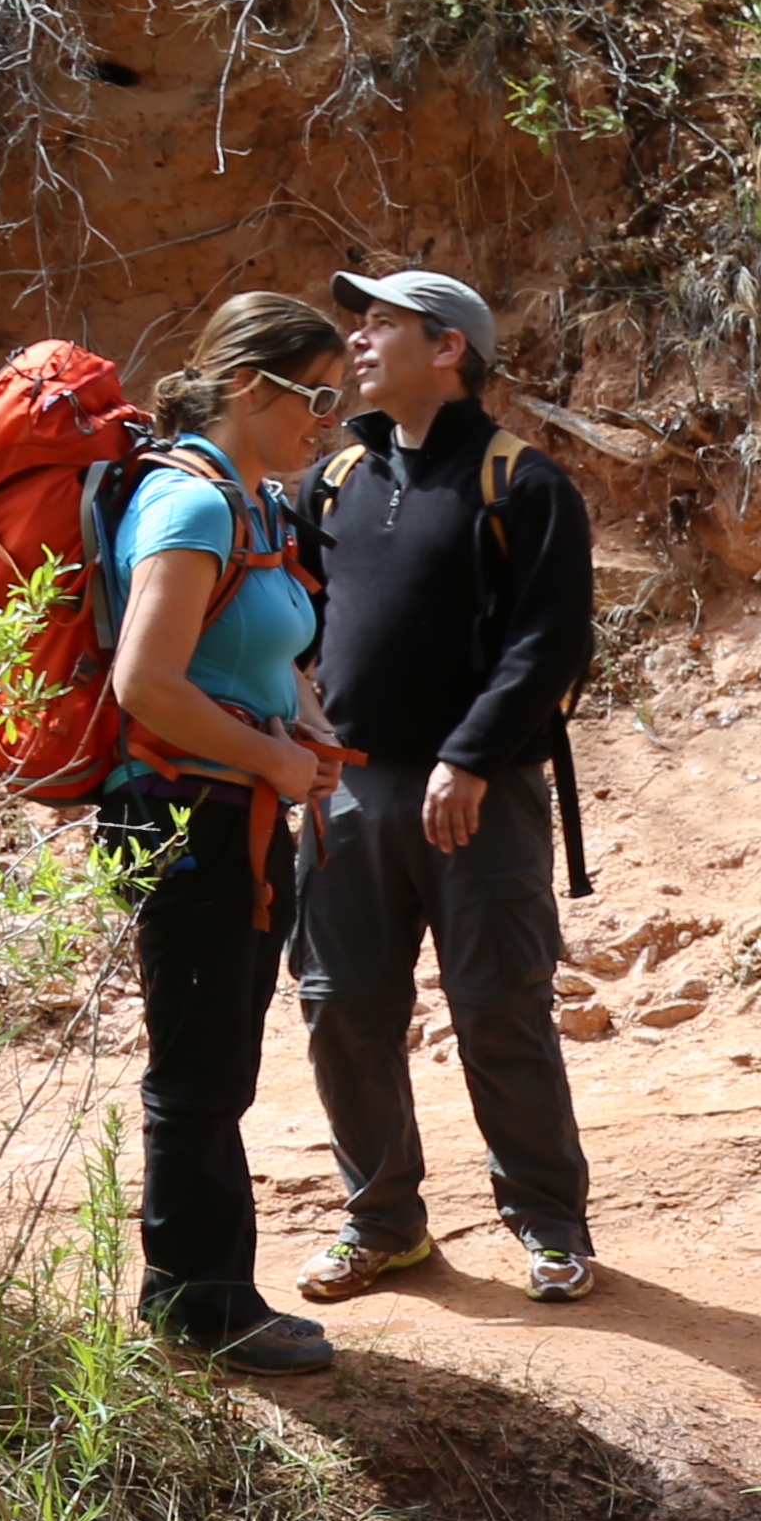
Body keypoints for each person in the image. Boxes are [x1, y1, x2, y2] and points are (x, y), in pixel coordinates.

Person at [289, 263, 602, 1307]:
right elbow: (296, 616)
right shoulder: (333, 483)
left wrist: (467, 757)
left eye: (383, 324)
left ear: (449, 348)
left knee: (498, 1011)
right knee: (342, 1008)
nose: (360, 341)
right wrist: (298, 718)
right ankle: (382, 1223)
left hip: (482, 795)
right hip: (348, 796)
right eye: (358, 324)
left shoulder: (523, 484)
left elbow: (552, 645)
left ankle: (551, 1224)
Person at [95, 291, 350, 1377]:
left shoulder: (251, 502)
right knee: (198, 1070)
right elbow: (146, 681)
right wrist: (274, 759)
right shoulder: (191, 505)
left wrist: (303, 717)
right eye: (316, 395)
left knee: (220, 1062)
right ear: (252, 386)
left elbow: (245, 648)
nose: (328, 420)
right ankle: (203, 1309)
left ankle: (203, 1294)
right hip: (186, 819)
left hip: (232, 810)